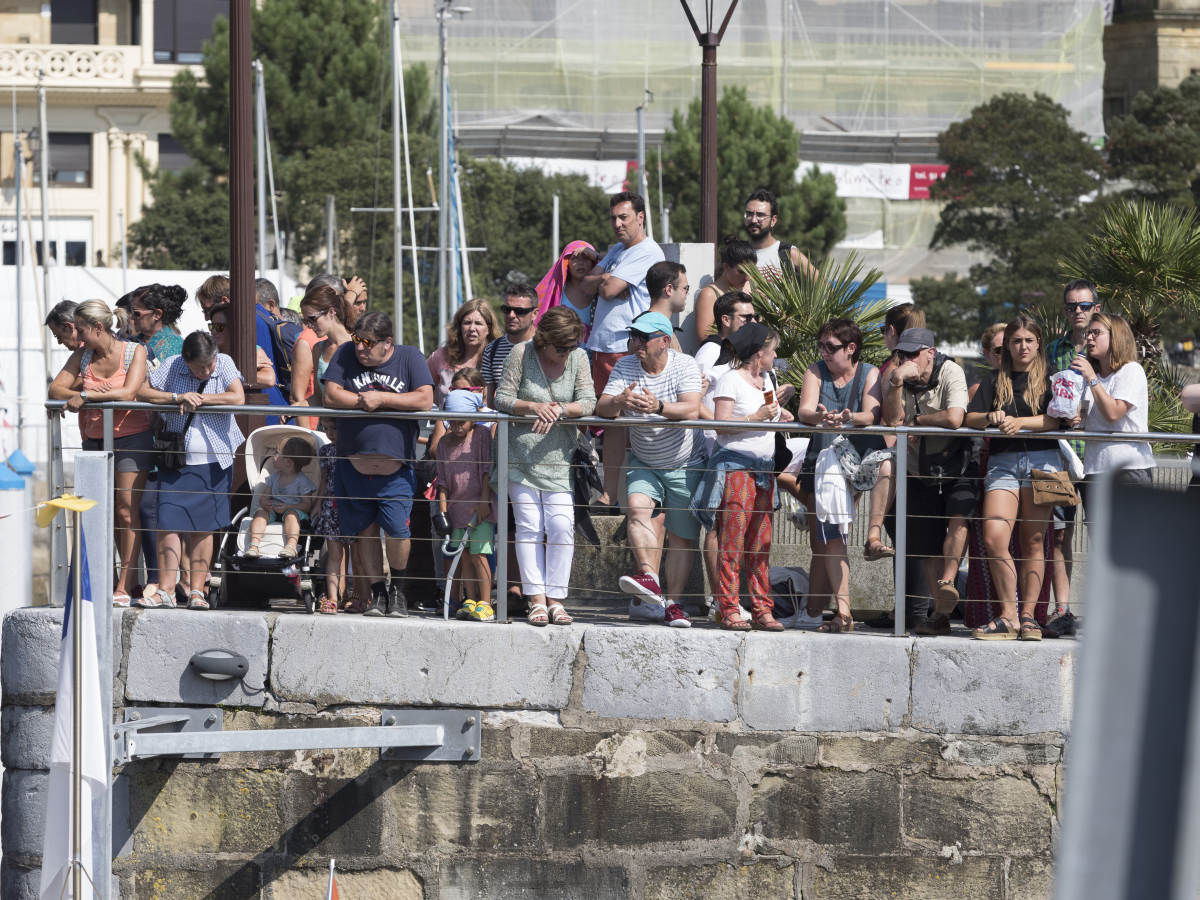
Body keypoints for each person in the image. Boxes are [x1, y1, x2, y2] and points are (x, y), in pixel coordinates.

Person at [322, 311, 434, 617]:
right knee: (364, 531)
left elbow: (424, 399)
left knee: (398, 531)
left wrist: (381, 400)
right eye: (358, 341)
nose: (360, 349)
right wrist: (362, 401)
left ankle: (397, 589)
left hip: (395, 470)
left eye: (368, 344)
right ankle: (376, 593)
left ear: (388, 343)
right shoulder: (346, 353)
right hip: (353, 467)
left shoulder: (410, 357)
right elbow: (331, 394)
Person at [596, 311, 703, 628]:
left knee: (682, 537)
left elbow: (692, 408)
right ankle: (649, 579)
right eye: (634, 336)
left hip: (686, 462)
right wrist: (620, 402)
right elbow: (602, 407)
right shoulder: (625, 364)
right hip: (644, 459)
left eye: (643, 337)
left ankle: (674, 604)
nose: (636, 343)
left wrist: (658, 407)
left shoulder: (685, 365)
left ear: (665, 341)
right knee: (636, 509)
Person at [965, 313, 1067, 640]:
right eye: (1016, 341)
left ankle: (1028, 617)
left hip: (1047, 461)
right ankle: (1008, 614)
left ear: (1039, 344)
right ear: (1007, 345)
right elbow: (971, 418)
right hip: (1003, 462)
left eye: (1029, 340)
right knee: (995, 537)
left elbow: (1057, 421)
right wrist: (991, 416)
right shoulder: (995, 379)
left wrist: (1019, 422)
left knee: (1036, 541)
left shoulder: (1054, 378)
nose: (1023, 346)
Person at [494, 306, 596, 626]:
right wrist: (534, 407)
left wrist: (560, 410)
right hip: (520, 455)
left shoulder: (579, 359)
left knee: (562, 527)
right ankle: (536, 598)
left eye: (570, 347)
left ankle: (556, 598)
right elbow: (501, 398)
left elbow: (589, 402)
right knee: (529, 526)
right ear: (545, 341)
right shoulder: (520, 354)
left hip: (561, 459)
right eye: (560, 348)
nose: (566, 353)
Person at [48, 300, 151, 607]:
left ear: (97, 328)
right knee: (96, 510)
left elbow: (129, 392)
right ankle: (104, 579)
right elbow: (56, 390)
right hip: (94, 439)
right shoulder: (83, 356)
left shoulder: (135, 351)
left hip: (132, 438)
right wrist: (81, 395)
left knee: (125, 509)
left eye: (80, 328)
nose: (76, 334)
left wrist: (84, 395)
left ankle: (125, 582)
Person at [136, 331, 246, 610]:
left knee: (204, 527)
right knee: (168, 524)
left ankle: (198, 590)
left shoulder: (224, 363)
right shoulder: (173, 364)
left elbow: (238, 398)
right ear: (186, 361)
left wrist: (200, 399)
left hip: (215, 459)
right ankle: (166, 590)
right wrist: (176, 397)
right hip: (178, 460)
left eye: (209, 365)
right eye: (200, 367)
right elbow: (142, 391)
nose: (207, 370)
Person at [796, 318, 888, 633]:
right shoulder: (814, 370)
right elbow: (804, 411)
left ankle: (827, 610)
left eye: (831, 347)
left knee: (831, 537)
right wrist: (820, 417)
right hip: (821, 459)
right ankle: (818, 610)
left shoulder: (870, 372)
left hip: (857, 462)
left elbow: (871, 413)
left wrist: (849, 419)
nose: (824, 352)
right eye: (820, 346)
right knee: (823, 540)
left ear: (851, 349)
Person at [881, 327, 975, 637]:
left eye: (913, 354)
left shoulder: (951, 371)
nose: (907, 359)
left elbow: (954, 418)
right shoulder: (899, 377)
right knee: (926, 546)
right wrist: (896, 381)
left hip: (956, 465)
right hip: (919, 469)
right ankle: (940, 613)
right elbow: (894, 421)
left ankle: (949, 582)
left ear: (930, 353)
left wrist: (918, 421)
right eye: (902, 353)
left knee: (958, 518)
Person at [579, 191, 665, 509]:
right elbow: (589, 284)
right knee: (610, 423)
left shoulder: (646, 251)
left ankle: (632, 496)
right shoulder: (618, 250)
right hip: (601, 349)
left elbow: (608, 288)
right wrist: (604, 278)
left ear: (640, 217)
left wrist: (604, 280)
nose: (617, 224)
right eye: (613, 217)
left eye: (624, 217)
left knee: (630, 426)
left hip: (625, 349)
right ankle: (610, 494)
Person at [704, 323, 793, 631]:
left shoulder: (767, 378)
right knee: (733, 541)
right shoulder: (731, 380)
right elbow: (721, 424)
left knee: (761, 542)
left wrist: (783, 411)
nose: (776, 355)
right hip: (737, 469)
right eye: (773, 350)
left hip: (764, 469)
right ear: (759, 353)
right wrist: (755, 418)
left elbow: (771, 414)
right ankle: (728, 606)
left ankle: (760, 608)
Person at [1044, 279, 1098, 622]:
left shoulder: (1107, 349)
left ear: (1096, 308)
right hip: (1058, 455)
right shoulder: (1052, 350)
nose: (1077, 312)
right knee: (1059, 534)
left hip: (1096, 458)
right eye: (1071, 306)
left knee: (1102, 534)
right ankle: (1062, 610)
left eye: (1083, 306)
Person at [1072, 313, 1154, 511]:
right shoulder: (1093, 377)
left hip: (1128, 470)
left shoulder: (1131, 370)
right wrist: (1071, 418)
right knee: (1098, 539)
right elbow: (1082, 420)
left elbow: (1113, 413)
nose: (1089, 338)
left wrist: (1092, 378)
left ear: (1115, 336)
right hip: (1094, 469)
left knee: (1131, 539)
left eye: (1096, 332)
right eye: (1088, 333)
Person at [434, 389, 496, 622]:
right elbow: (441, 480)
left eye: (463, 421)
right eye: (453, 421)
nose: (457, 426)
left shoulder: (480, 435)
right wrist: (442, 509)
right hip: (455, 507)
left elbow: (485, 471)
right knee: (465, 555)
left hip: (479, 507)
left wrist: (483, 501)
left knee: (479, 554)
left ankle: (486, 603)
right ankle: (470, 599)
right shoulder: (443, 443)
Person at [243, 436, 318, 560]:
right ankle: (254, 545)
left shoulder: (302, 481)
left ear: (288, 462)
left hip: (294, 511)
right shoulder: (273, 478)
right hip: (274, 509)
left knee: (291, 515)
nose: (273, 456)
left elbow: (307, 505)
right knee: (261, 513)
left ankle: (291, 546)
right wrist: (266, 503)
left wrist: (288, 507)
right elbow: (263, 499)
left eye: (277, 453)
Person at [427, 298, 500, 408]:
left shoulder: (498, 359)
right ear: (459, 326)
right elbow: (422, 388)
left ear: (489, 329)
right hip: (448, 423)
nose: (472, 328)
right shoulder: (441, 357)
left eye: (478, 323)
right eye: (467, 323)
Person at [310, 418, 349, 615]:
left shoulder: (354, 447)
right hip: (331, 506)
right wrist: (318, 503)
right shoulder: (325, 451)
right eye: (327, 429)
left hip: (353, 506)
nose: (331, 433)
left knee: (358, 555)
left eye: (335, 428)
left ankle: (357, 594)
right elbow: (324, 480)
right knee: (334, 554)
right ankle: (333, 597)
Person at [298, 283, 356, 409]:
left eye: (312, 319)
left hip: (351, 424)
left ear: (331, 312)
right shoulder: (318, 349)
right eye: (305, 321)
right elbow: (319, 398)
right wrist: (296, 408)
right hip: (325, 426)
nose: (309, 325)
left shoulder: (357, 344)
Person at [482, 282, 539, 407]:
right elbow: (489, 402)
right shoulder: (492, 350)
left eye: (519, 311)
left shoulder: (547, 346)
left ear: (534, 314)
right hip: (505, 425)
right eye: (507, 310)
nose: (511, 315)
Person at [743, 187, 818, 282]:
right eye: (749, 214)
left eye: (760, 215)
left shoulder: (788, 253)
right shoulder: (736, 254)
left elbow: (824, 287)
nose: (753, 220)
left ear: (773, 220)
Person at [693, 237, 756, 345]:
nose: (747, 277)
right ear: (726, 267)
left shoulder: (752, 286)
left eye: (751, 272)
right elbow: (704, 338)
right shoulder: (709, 294)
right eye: (741, 272)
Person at [207, 304, 277, 389]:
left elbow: (269, 379)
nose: (213, 331)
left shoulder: (253, 350)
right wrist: (245, 371)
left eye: (219, 327)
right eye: (211, 326)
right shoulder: (208, 351)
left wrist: (225, 374)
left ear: (233, 327)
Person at [535, 240, 600, 327]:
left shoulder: (604, 291)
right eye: (575, 258)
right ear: (566, 263)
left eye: (586, 258)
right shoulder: (553, 292)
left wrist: (598, 256)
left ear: (593, 262)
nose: (580, 263)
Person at [129, 284, 186, 366]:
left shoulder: (174, 346)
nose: (132, 317)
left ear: (157, 314)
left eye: (136, 313)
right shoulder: (133, 340)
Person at [644, 260, 689, 350]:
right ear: (669, 290)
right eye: (685, 288)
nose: (687, 293)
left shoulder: (649, 325)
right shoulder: (656, 332)